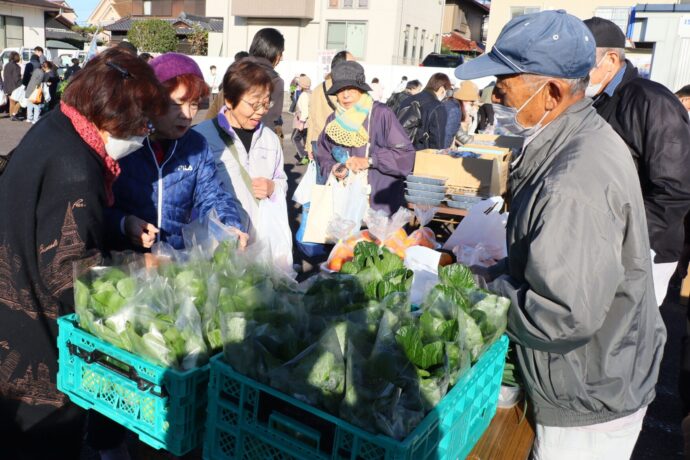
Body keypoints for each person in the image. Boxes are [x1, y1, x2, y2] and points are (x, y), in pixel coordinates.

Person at [456, 10, 666, 460]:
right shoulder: (574, 139)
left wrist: (481, 291)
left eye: (504, 84)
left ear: (550, 93)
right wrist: (493, 273)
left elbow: (561, 316)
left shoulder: (572, 180)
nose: (495, 95)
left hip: (588, 393)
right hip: (596, 370)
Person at [0, 47, 168, 460]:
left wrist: (117, 225)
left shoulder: (57, 126)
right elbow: (69, 277)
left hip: (12, 310)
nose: (144, 134)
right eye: (142, 123)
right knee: (41, 443)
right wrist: (137, 270)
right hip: (37, 336)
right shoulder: (76, 165)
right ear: (113, 116)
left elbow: (51, 219)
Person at [583, 17, 690, 307]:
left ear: (610, 59)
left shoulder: (652, 101)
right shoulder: (599, 100)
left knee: (628, 327)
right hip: (603, 242)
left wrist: (628, 242)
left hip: (642, 250)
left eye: (581, 61)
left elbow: (674, 189)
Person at [106, 52, 249, 253]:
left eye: (194, 104)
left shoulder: (196, 146)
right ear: (152, 99)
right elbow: (94, 206)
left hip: (175, 261)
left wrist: (229, 226)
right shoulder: (123, 143)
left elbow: (213, 196)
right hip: (124, 261)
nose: (188, 115)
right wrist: (123, 223)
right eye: (177, 104)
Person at [194, 60, 293, 273]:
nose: (261, 111)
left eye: (266, 103)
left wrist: (273, 187)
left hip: (262, 246)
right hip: (218, 248)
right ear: (229, 100)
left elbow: (282, 181)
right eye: (254, 104)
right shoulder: (200, 137)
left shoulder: (270, 139)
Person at [316, 61, 415, 214]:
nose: (345, 95)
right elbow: (323, 154)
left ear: (361, 89)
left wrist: (370, 161)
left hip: (380, 203)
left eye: (351, 89)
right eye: (340, 90)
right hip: (344, 202)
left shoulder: (381, 114)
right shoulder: (333, 120)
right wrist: (334, 168)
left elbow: (405, 155)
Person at [208, 28, 286, 142]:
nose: (281, 58)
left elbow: (215, 108)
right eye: (281, 53)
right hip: (255, 143)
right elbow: (269, 121)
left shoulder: (235, 68)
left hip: (220, 136)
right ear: (275, 53)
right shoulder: (275, 81)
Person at [304, 50, 355, 163]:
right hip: (338, 145)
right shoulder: (346, 90)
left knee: (322, 175)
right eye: (352, 64)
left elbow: (311, 120)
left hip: (317, 142)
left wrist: (308, 146)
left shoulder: (317, 89)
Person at [396, 72, 451, 149]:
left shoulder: (407, 100)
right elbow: (437, 139)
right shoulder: (438, 106)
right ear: (442, 89)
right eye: (446, 91)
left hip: (399, 148)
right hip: (421, 153)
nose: (445, 95)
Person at [443, 80, 479, 147]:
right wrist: (475, 143)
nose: (471, 108)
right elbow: (455, 134)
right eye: (471, 104)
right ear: (464, 100)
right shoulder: (454, 110)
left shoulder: (453, 105)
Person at [292, 75, 312, 163]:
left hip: (303, 121)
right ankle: (308, 156)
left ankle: (304, 156)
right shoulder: (311, 93)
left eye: (299, 83)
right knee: (305, 139)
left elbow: (305, 111)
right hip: (309, 122)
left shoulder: (303, 95)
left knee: (294, 138)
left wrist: (301, 123)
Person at [24, 55, 44, 124]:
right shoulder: (40, 70)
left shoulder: (30, 66)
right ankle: (35, 119)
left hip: (29, 86)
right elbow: (39, 81)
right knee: (36, 105)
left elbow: (26, 76)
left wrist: (25, 84)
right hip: (36, 89)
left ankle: (29, 118)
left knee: (29, 104)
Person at [3, 51, 22, 120]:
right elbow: (16, 78)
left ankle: (12, 115)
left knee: (11, 102)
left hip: (7, 86)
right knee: (19, 101)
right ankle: (13, 115)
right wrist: (21, 85)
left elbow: (5, 76)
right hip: (15, 86)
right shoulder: (16, 66)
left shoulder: (6, 65)